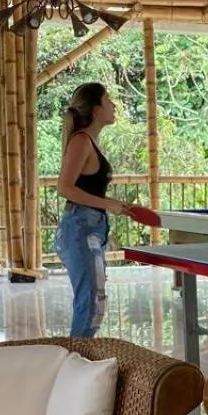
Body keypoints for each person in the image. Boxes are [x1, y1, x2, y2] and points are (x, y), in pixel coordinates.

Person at [53, 82, 128, 338]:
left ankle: (79, 358)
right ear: (96, 109)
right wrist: (109, 204)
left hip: (90, 228)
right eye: (109, 100)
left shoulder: (89, 141)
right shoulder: (81, 141)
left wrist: (115, 206)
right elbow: (64, 188)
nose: (114, 106)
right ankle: (76, 360)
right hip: (80, 228)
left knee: (94, 301)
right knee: (90, 303)